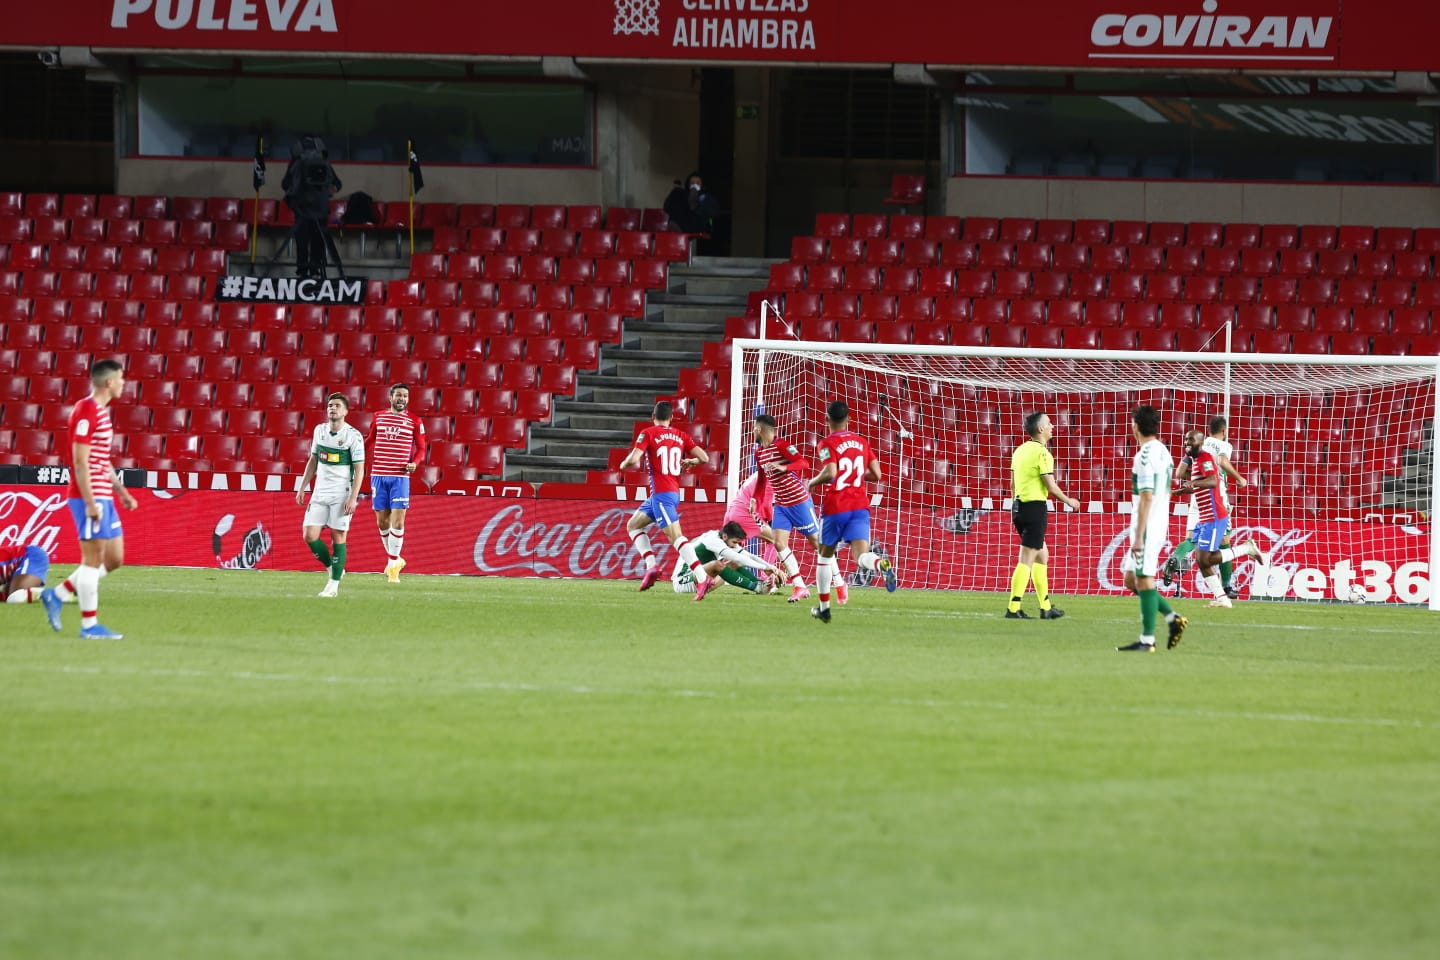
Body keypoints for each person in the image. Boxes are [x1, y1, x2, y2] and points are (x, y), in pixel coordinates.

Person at [40, 359, 138, 639]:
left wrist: (122, 492)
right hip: (89, 497)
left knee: (115, 558)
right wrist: (91, 502)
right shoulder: (86, 412)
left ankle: (56, 595)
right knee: (92, 560)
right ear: (109, 382)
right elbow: (80, 463)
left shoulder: (102, 413)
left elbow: (101, 460)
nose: (123, 383)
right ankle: (89, 626)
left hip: (104, 496)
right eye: (121, 378)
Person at [806, 400, 897, 624]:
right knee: (861, 556)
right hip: (859, 506)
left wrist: (813, 482)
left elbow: (831, 472)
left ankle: (824, 609)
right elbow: (877, 474)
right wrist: (856, 477)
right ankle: (880, 564)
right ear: (848, 420)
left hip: (837, 506)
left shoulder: (826, 443)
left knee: (825, 556)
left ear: (827, 419)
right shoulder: (861, 441)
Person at [1118, 404, 1189, 653]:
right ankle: (1172, 618)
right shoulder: (1165, 452)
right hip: (1158, 521)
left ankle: (1147, 640)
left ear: (1135, 427)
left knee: (1144, 580)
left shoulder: (1144, 456)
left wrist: (1138, 536)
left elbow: (1147, 496)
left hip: (1147, 526)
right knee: (1131, 579)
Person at [619, 401, 710, 591]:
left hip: (662, 494)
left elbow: (634, 459)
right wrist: (690, 461)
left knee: (676, 537)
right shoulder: (681, 435)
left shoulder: (648, 432)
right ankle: (652, 567)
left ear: (653, 417)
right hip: (670, 493)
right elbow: (704, 458)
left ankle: (702, 577)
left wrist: (623, 464)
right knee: (633, 525)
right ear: (672, 418)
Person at [1173, 429, 1268, 608]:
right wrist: (1183, 490)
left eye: (1191, 441)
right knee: (1202, 560)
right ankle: (1223, 599)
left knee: (1205, 559)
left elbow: (1212, 482)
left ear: (1201, 443)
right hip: (1205, 515)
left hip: (1214, 515)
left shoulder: (1206, 459)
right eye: (1185, 440)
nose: (1187, 443)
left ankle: (1246, 549)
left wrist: (1193, 483)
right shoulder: (1196, 461)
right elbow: (1199, 484)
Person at [1005, 411, 1082, 620]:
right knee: (1027, 558)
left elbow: (1012, 484)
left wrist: (1016, 504)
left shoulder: (1019, 450)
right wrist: (1070, 501)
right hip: (1034, 508)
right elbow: (1051, 486)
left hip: (1019, 507)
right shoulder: (1043, 453)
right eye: (1049, 423)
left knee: (1042, 555)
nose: (1052, 426)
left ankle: (1046, 607)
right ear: (1040, 429)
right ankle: (1013, 608)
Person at [1163, 415, 1248, 597]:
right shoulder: (1224, 445)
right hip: (1216, 498)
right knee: (1225, 542)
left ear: (1208, 432)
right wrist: (1239, 478)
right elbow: (1223, 462)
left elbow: (1178, 473)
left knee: (1191, 540)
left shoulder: (1195, 447)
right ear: (1224, 431)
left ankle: (1175, 559)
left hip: (1196, 498)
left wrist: (1193, 482)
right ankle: (1226, 587)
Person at [297, 392, 366, 597]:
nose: (332, 408)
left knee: (338, 536)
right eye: (330, 405)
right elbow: (313, 460)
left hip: (341, 492)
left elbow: (360, 469)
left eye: (337, 406)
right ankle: (332, 568)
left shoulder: (353, 436)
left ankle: (333, 586)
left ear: (345, 411)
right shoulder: (320, 431)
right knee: (309, 535)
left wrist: (353, 497)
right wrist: (302, 487)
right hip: (320, 491)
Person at [753, 413, 823, 603]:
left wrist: (784, 467)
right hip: (781, 504)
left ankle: (838, 580)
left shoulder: (782, 445)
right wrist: (755, 501)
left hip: (799, 500)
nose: (752, 431)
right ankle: (799, 586)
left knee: (816, 543)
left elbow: (803, 462)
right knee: (779, 543)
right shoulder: (759, 453)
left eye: (754, 428)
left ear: (760, 429)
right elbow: (761, 481)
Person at [369, 383, 427, 583]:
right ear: (390, 397)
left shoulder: (415, 421)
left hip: (400, 477)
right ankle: (395, 560)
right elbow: (369, 440)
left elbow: (421, 448)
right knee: (382, 521)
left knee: (399, 520)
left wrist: (415, 463)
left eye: (405, 396)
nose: (402, 399)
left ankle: (393, 565)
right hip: (378, 474)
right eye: (398, 395)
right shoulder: (378, 417)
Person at [671, 521, 785, 601]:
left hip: (703, 578)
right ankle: (757, 588)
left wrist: (771, 567)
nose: (736, 546)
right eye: (735, 542)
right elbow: (739, 557)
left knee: (731, 564)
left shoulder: (723, 538)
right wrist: (765, 568)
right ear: (725, 536)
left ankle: (762, 585)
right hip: (683, 581)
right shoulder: (712, 540)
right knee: (718, 565)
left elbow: (749, 556)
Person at [281, 134, 342, 279]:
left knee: (303, 242)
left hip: (303, 210)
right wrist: (330, 188)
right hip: (317, 209)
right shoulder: (323, 162)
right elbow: (337, 184)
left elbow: (285, 184)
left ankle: (303, 272)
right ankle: (314, 271)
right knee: (317, 241)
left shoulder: (296, 163)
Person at [722, 470, 779, 571]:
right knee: (776, 540)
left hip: (731, 512)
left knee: (728, 554)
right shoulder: (771, 478)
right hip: (744, 514)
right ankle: (767, 577)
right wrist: (771, 522)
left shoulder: (757, 474)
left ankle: (707, 577)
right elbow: (766, 506)